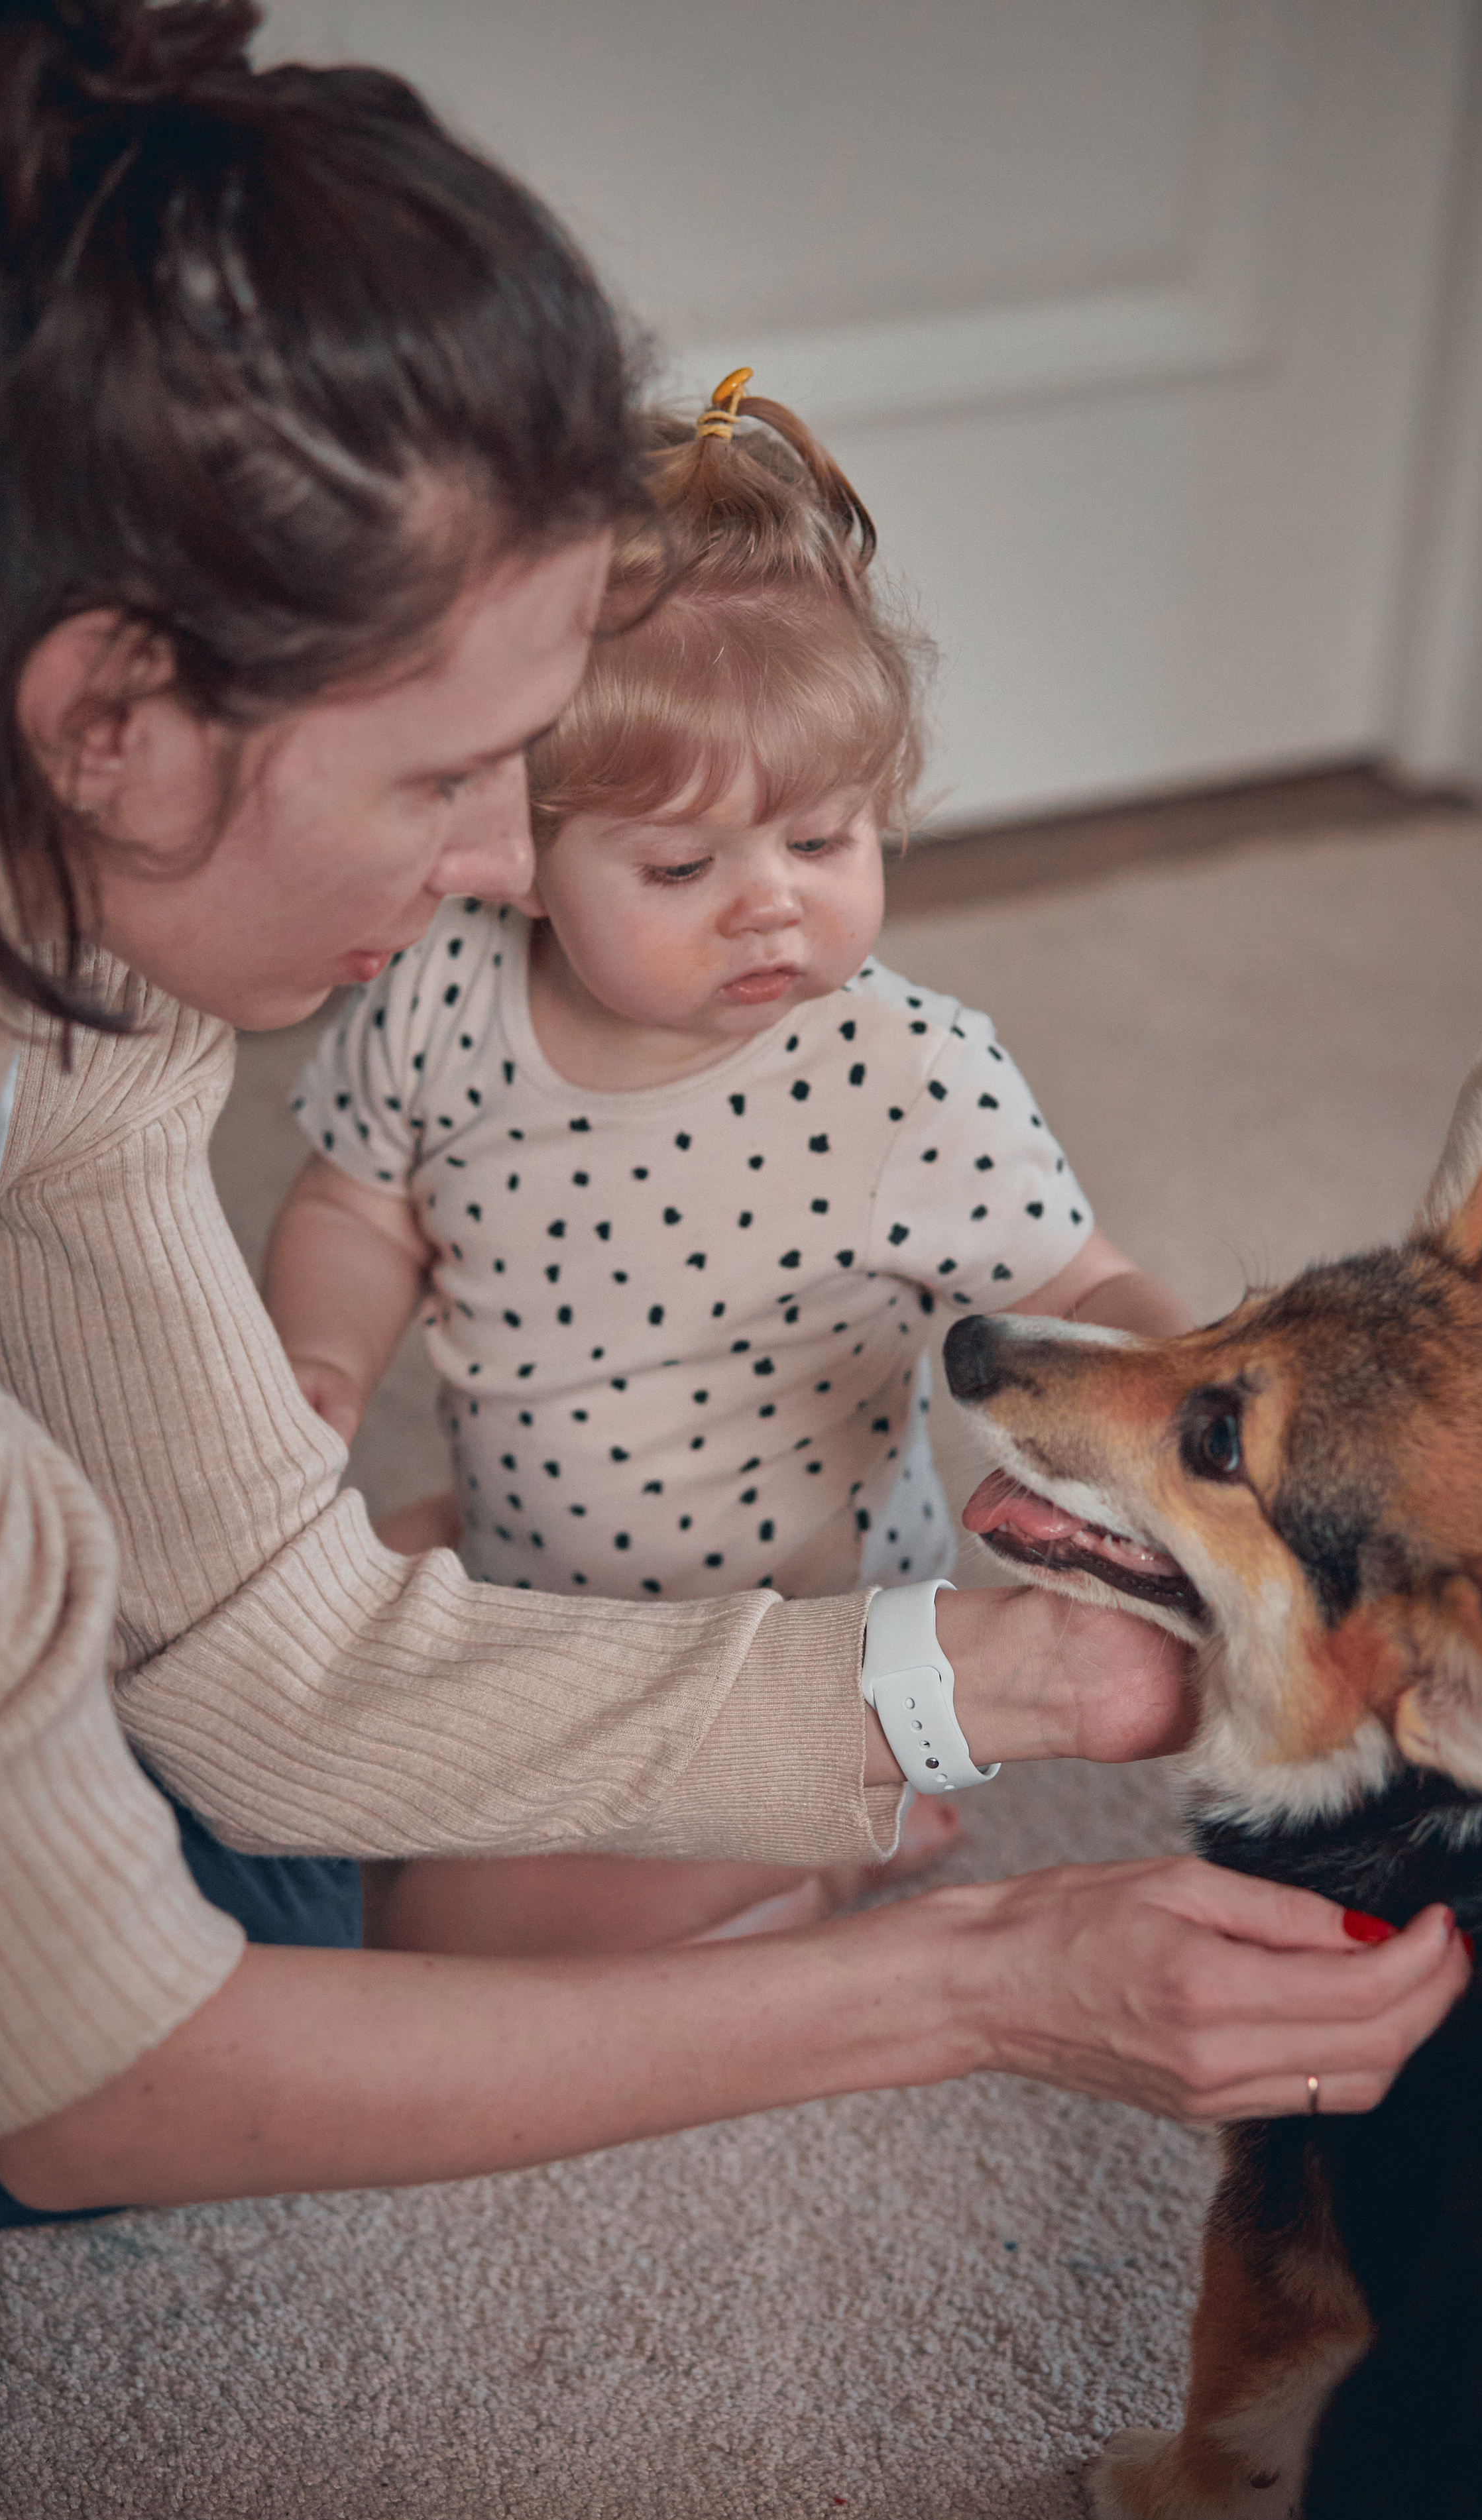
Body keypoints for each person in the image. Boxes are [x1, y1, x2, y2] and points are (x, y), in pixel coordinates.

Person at [0, 0, 1469, 2238]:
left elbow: (263, 1652)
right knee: (301, 1943)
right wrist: (979, 1982)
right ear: (109, 719)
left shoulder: (71, 950)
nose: (487, 867)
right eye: (452, 779)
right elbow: (75, 2078)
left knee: (286, 1787)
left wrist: (967, 1676)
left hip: (676, 1565)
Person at [262, 375, 1193, 1951]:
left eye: (821, 843)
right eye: (684, 866)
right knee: (257, 1677)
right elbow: (356, 1203)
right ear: (525, 854)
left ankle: (827, 1847)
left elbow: (1081, 1284)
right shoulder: (441, 990)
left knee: (431, 1927)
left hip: (784, 1666)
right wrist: (317, 1357)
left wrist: (1205, 1406)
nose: (768, 904)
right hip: (530, 1576)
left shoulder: (904, 1076)